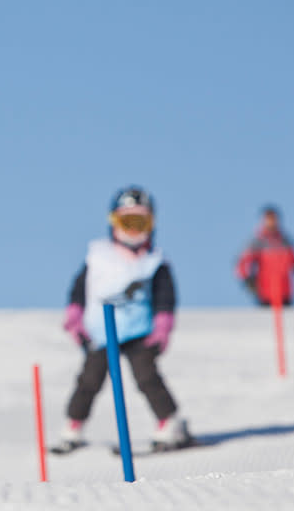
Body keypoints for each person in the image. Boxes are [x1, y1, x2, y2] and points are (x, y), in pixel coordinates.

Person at [56, 186, 191, 452]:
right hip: (101, 332)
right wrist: (74, 317)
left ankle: (169, 422)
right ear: (114, 222)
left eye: (139, 222)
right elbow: (79, 289)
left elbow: (165, 297)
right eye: (126, 222)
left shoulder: (155, 262)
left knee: (147, 377)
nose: (132, 229)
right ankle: (74, 425)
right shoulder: (98, 256)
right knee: (89, 380)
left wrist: (163, 326)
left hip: (140, 331)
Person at [235, 205, 294, 307]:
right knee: (267, 320)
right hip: (265, 293)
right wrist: (248, 280)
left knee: (288, 320)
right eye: (269, 219)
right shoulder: (258, 242)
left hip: (285, 292)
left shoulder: (286, 241)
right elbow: (241, 263)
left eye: (274, 219)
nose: (272, 222)